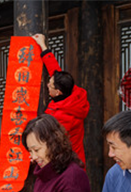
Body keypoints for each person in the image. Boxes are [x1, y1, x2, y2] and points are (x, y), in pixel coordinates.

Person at [31, 33, 90, 168]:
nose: (47, 85)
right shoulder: (73, 91)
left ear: (58, 92)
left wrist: (34, 152)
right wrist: (43, 45)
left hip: (67, 162)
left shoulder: (63, 116)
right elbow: (55, 69)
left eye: (50, 85)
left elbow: (49, 139)